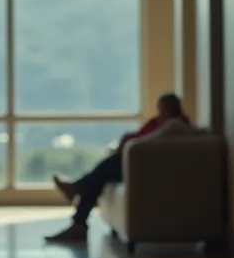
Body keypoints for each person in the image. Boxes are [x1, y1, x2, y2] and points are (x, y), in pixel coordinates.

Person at [45, 93, 198, 243]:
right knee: (99, 178)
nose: (160, 113)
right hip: (139, 166)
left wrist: (125, 147)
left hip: (144, 169)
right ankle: (78, 217)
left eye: (163, 109)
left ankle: (77, 200)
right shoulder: (160, 123)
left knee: (104, 171)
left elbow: (146, 142)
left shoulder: (174, 125)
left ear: (172, 109)